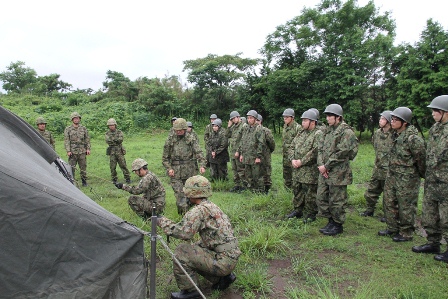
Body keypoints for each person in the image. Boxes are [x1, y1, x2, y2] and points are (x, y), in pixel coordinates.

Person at [157, 175, 240, 299]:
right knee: (195, 247)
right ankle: (223, 278)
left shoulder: (198, 210)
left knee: (182, 252)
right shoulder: (212, 206)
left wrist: (162, 221)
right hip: (230, 256)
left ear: (192, 193)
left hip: (223, 261)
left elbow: (184, 233)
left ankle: (191, 292)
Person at [378, 107, 426, 242]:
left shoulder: (413, 139)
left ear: (404, 122)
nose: (392, 122)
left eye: (395, 120)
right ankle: (392, 227)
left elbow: (421, 159)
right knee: (388, 200)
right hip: (392, 174)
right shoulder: (395, 135)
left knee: (406, 205)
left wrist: (419, 174)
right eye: (391, 119)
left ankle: (406, 232)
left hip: (407, 177)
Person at [412, 95, 448, 262]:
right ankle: (433, 242)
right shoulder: (435, 129)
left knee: (446, 216)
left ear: (444, 112)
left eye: (435, 110)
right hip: (432, 179)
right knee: (429, 214)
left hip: (446, 181)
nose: (433, 113)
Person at [317, 104, 358, 236]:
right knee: (322, 197)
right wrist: (322, 165)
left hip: (338, 172)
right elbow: (321, 149)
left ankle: (337, 224)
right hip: (325, 170)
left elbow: (342, 153)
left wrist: (326, 166)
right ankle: (331, 221)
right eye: (327, 116)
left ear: (338, 118)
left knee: (337, 200)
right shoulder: (327, 130)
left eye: (330, 116)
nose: (327, 118)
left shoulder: (346, 132)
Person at [162, 118, 206, 215]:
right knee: (180, 197)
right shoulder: (170, 140)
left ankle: (194, 216)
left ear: (185, 129)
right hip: (175, 172)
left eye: (180, 130)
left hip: (190, 171)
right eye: (176, 130)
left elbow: (199, 152)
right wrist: (169, 168)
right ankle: (182, 218)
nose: (178, 132)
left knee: (192, 195)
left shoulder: (190, 139)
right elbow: (165, 158)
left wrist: (202, 165)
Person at [287, 109, 322, 222]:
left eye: (305, 120)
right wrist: (292, 159)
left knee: (310, 193)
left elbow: (315, 151)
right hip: (297, 170)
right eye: (302, 120)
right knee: (297, 190)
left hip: (309, 170)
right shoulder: (301, 132)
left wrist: (302, 161)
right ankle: (298, 210)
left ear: (312, 122)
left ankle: (311, 213)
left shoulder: (318, 133)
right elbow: (291, 146)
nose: (302, 123)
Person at [360, 111, 393, 220]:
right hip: (378, 167)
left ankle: (388, 215)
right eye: (380, 118)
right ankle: (370, 209)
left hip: (389, 169)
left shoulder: (394, 135)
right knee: (371, 191)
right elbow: (375, 145)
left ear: (388, 121)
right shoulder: (377, 133)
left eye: (383, 119)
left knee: (389, 194)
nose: (380, 121)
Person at [237, 110, 266, 193]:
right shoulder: (246, 128)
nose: (249, 120)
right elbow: (243, 141)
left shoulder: (258, 128)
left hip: (254, 156)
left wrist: (258, 156)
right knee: (248, 175)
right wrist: (242, 154)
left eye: (251, 118)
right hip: (247, 156)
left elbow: (261, 143)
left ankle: (260, 191)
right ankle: (251, 190)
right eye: (248, 118)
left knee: (257, 175)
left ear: (255, 119)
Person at [64, 112, 91, 187]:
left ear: (79, 119)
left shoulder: (83, 128)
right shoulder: (68, 129)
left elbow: (87, 139)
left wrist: (88, 149)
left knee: (83, 167)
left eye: (77, 118)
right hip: (73, 152)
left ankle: (84, 181)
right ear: (72, 119)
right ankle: (71, 181)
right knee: (71, 167)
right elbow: (67, 140)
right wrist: (68, 150)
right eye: (75, 118)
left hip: (82, 151)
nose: (76, 120)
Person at [105, 118, 131, 184]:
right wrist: (115, 140)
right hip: (112, 152)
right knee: (112, 167)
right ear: (108, 126)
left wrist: (114, 140)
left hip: (119, 151)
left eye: (112, 125)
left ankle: (127, 178)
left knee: (123, 165)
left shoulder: (119, 132)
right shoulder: (107, 133)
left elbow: (120, 140)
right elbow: (108, 141)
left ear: (115, 125)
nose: (111, 126)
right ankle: (114, 179)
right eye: (110, 125)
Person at [226, 111, 246, 192]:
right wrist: (229, 126)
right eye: (232, 119)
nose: (233, 120)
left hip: (240, 151)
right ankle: (237, 185)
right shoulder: (233, 127)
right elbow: (227, 135)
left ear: (238, 117)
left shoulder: (243, 126)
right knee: (234, 169)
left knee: (241, 169)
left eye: (234, 118)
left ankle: (244, 186)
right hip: (233, 152)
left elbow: (243, 140)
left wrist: (239, 151)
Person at [282, 108, 301, 189]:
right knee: (286, 173)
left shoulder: (298, 128)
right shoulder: (285, 127)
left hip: (294, 155)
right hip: (285, 155)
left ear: (292, 118)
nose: (285, 118)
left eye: (287, 117)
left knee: (294, 174)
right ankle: (287, 189)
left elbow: (299, 143)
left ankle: (295, 190)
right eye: (284, 117)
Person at [256, 114, 276, 193]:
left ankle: (267, 188)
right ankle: (259, 187)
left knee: (267, 171)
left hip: (265, 154)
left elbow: (272, 143)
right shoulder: (253, 130)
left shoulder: (266, 131)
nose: (256, 122)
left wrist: (268, 151)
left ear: (260, 121)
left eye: (257, 120)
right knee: (258, 171)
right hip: (256, 155)